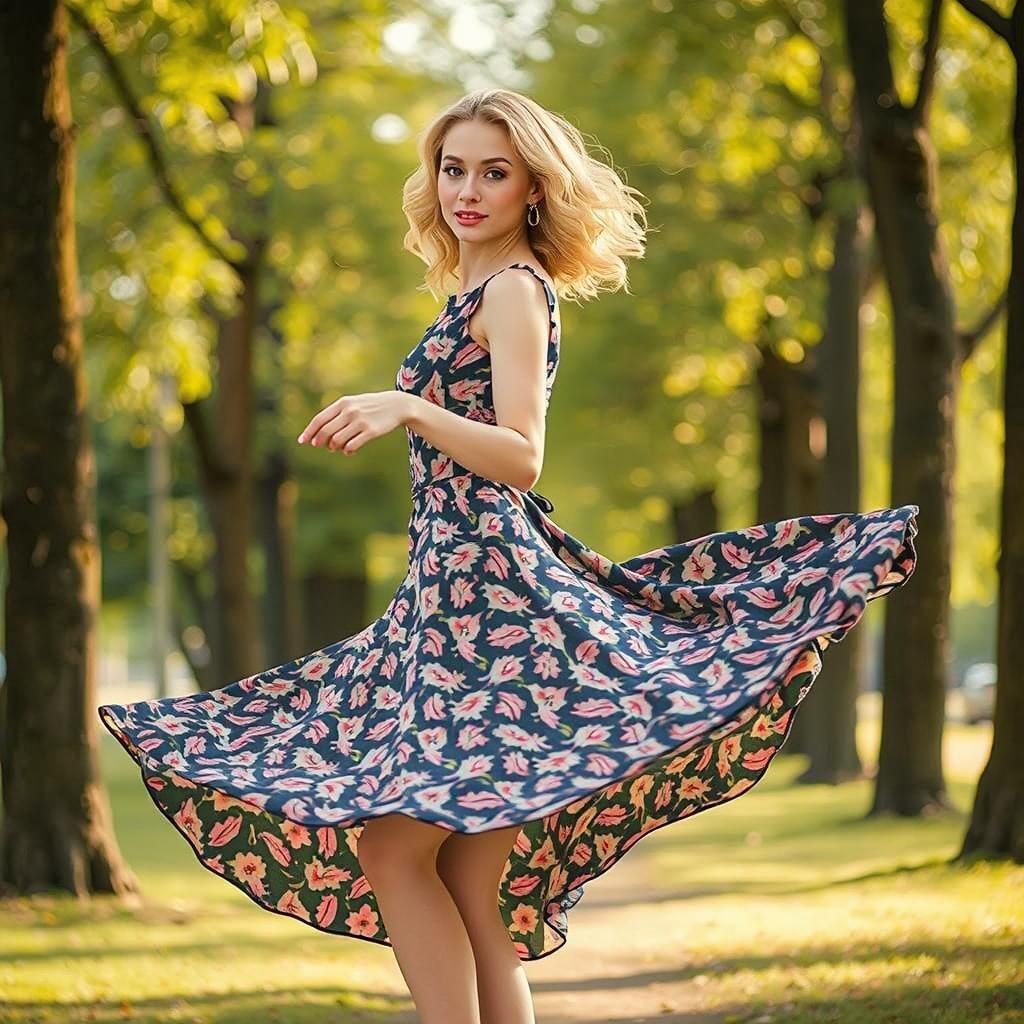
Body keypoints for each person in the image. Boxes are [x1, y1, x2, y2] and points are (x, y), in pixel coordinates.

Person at [98, 88, 919, 1024]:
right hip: (450, 597)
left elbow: (522, 455)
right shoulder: (473, 291)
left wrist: (407, 407)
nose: (468, 190)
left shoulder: (515, 292)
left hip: (487, 606)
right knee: (462, 883)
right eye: (454, 169)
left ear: (533, 187)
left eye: (494, 172)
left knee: (393, 852)